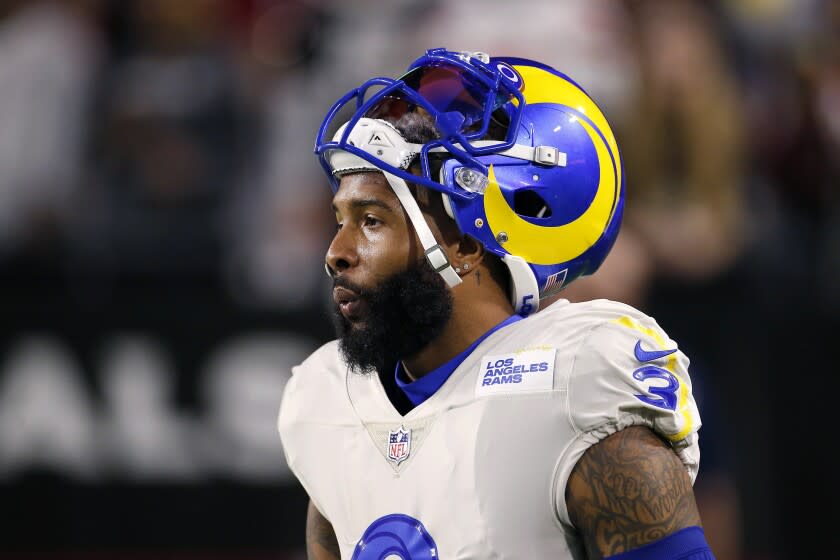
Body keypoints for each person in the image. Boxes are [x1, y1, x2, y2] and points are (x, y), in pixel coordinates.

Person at [278, 48, 713, 559]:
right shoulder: (330, 404)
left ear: (464, 244)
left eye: (372, 220)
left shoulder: (575, 385)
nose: (336, 253)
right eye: (340, 220)